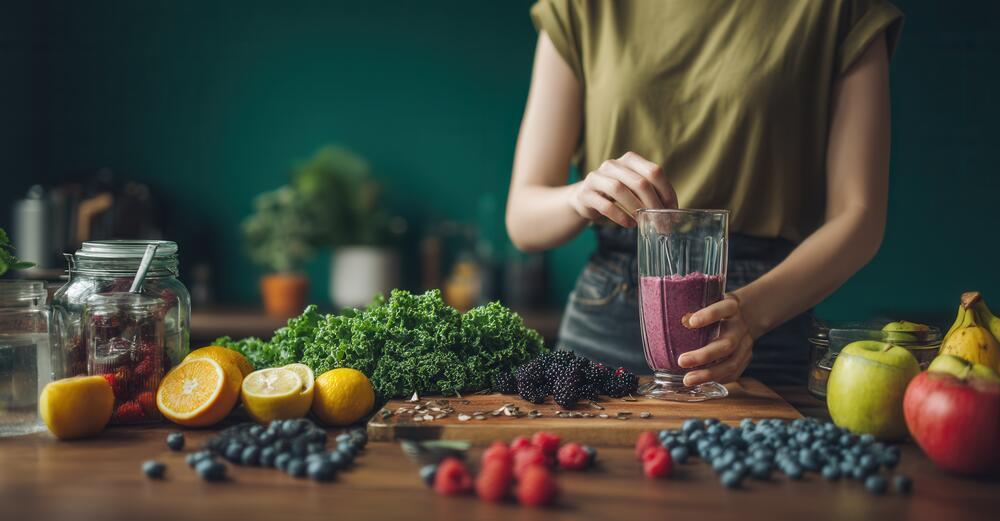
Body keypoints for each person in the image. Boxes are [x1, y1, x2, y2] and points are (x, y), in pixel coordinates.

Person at [505, 1, 902, 386]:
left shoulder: (839, 9)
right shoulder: (582, 8)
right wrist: (582, 196)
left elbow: (860, 215)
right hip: (607, 318)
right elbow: (524, 220)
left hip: (765, 321)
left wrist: (752, 313)